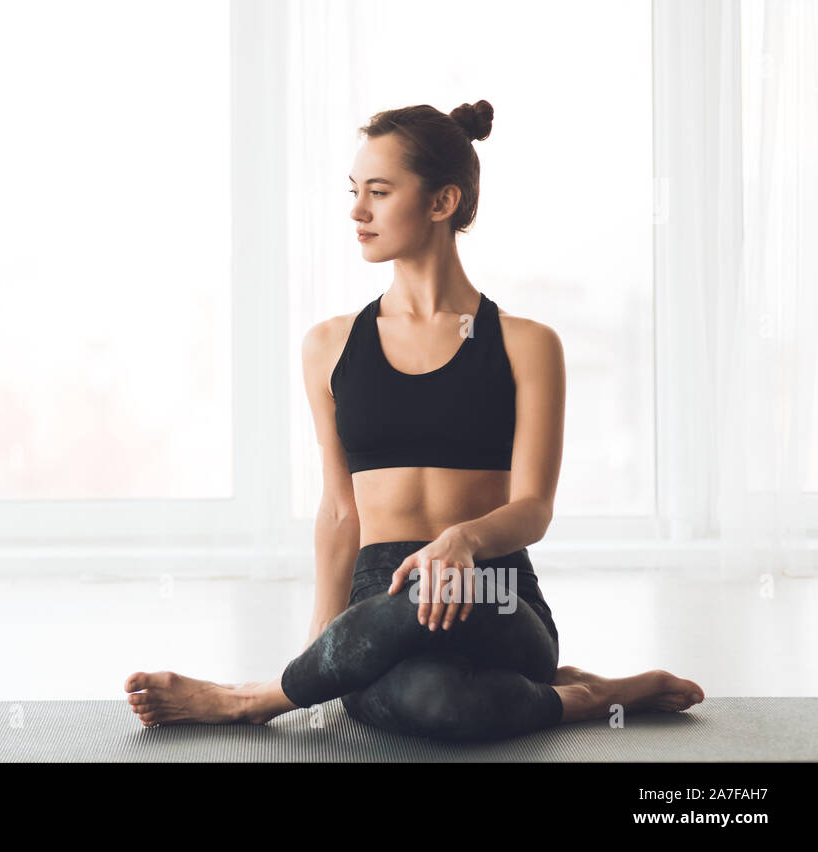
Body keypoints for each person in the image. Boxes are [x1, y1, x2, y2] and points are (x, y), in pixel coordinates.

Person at [124, 100, 704, 740]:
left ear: (441, 201)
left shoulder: (526, 344)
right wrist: (326, 648)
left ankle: (250, 699)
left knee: (412, 635)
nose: (357, 212)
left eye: (379, 192)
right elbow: (341, 510)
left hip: (496, 595)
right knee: (437, 705)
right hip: (381, 599)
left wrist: (464, 541)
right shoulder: (331, 345)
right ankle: (590, 695)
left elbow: (534, 507)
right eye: (354, 192)